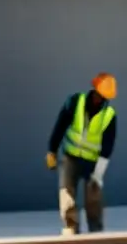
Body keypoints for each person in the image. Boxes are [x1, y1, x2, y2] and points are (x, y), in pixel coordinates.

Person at [46, 73, 118, 235]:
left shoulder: (109, 115)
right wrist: (52, 150)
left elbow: (107, 147)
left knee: (94, 198)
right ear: (94, 91)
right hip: (70, 157)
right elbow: (60, 126)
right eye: (100, 95)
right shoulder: (74, 102)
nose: (101, 100)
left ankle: (96, 231)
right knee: (66, 194)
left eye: (105, 97)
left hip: (93, 162)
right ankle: (71, 230)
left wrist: (98, 175)